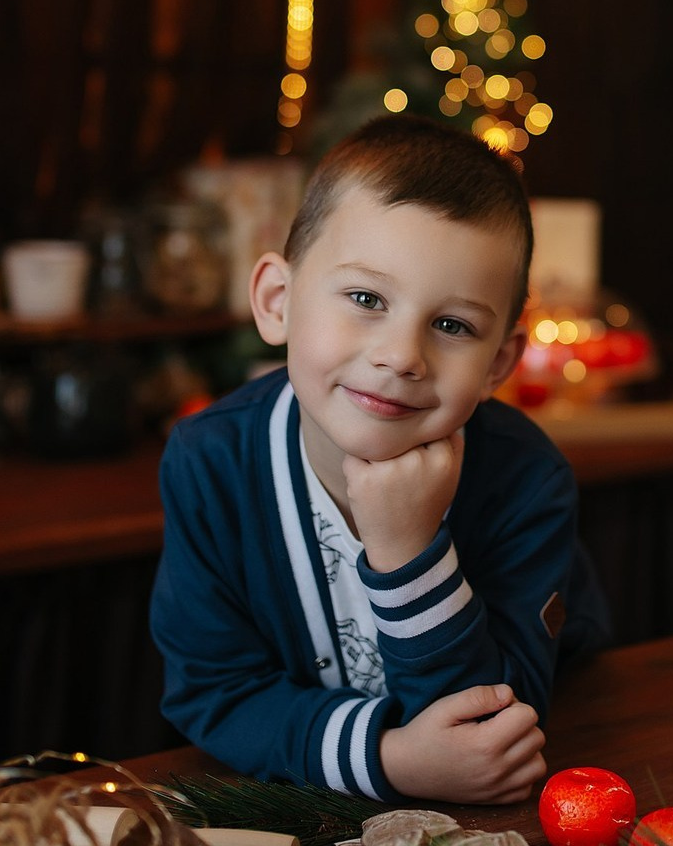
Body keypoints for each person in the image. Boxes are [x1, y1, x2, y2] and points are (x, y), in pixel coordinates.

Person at [150, 114, 610, 805]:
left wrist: (408, 551)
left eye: (452, 325)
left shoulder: (526, 478)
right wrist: (389, 759)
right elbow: (215, 692)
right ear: (277, 302)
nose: (401, 356)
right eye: (366, 298)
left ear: (498, 365)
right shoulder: (210, 463)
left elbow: (490, 736)